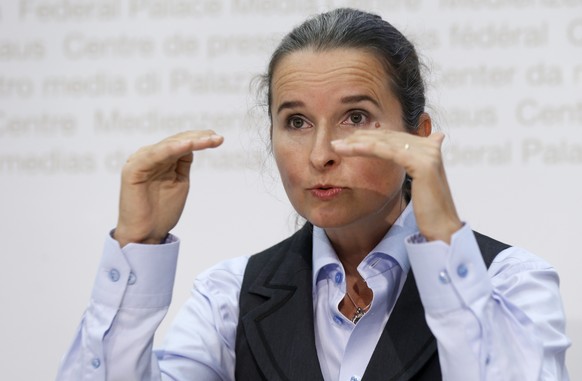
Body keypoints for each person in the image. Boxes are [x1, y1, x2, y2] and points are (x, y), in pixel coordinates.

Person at [56, 8, 570, 381]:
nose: (321, 153)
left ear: (418, 135)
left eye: (356, 117)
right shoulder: (229, 297)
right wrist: (138, 246)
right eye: (296, 121)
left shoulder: (508, 281)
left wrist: (443, 242)